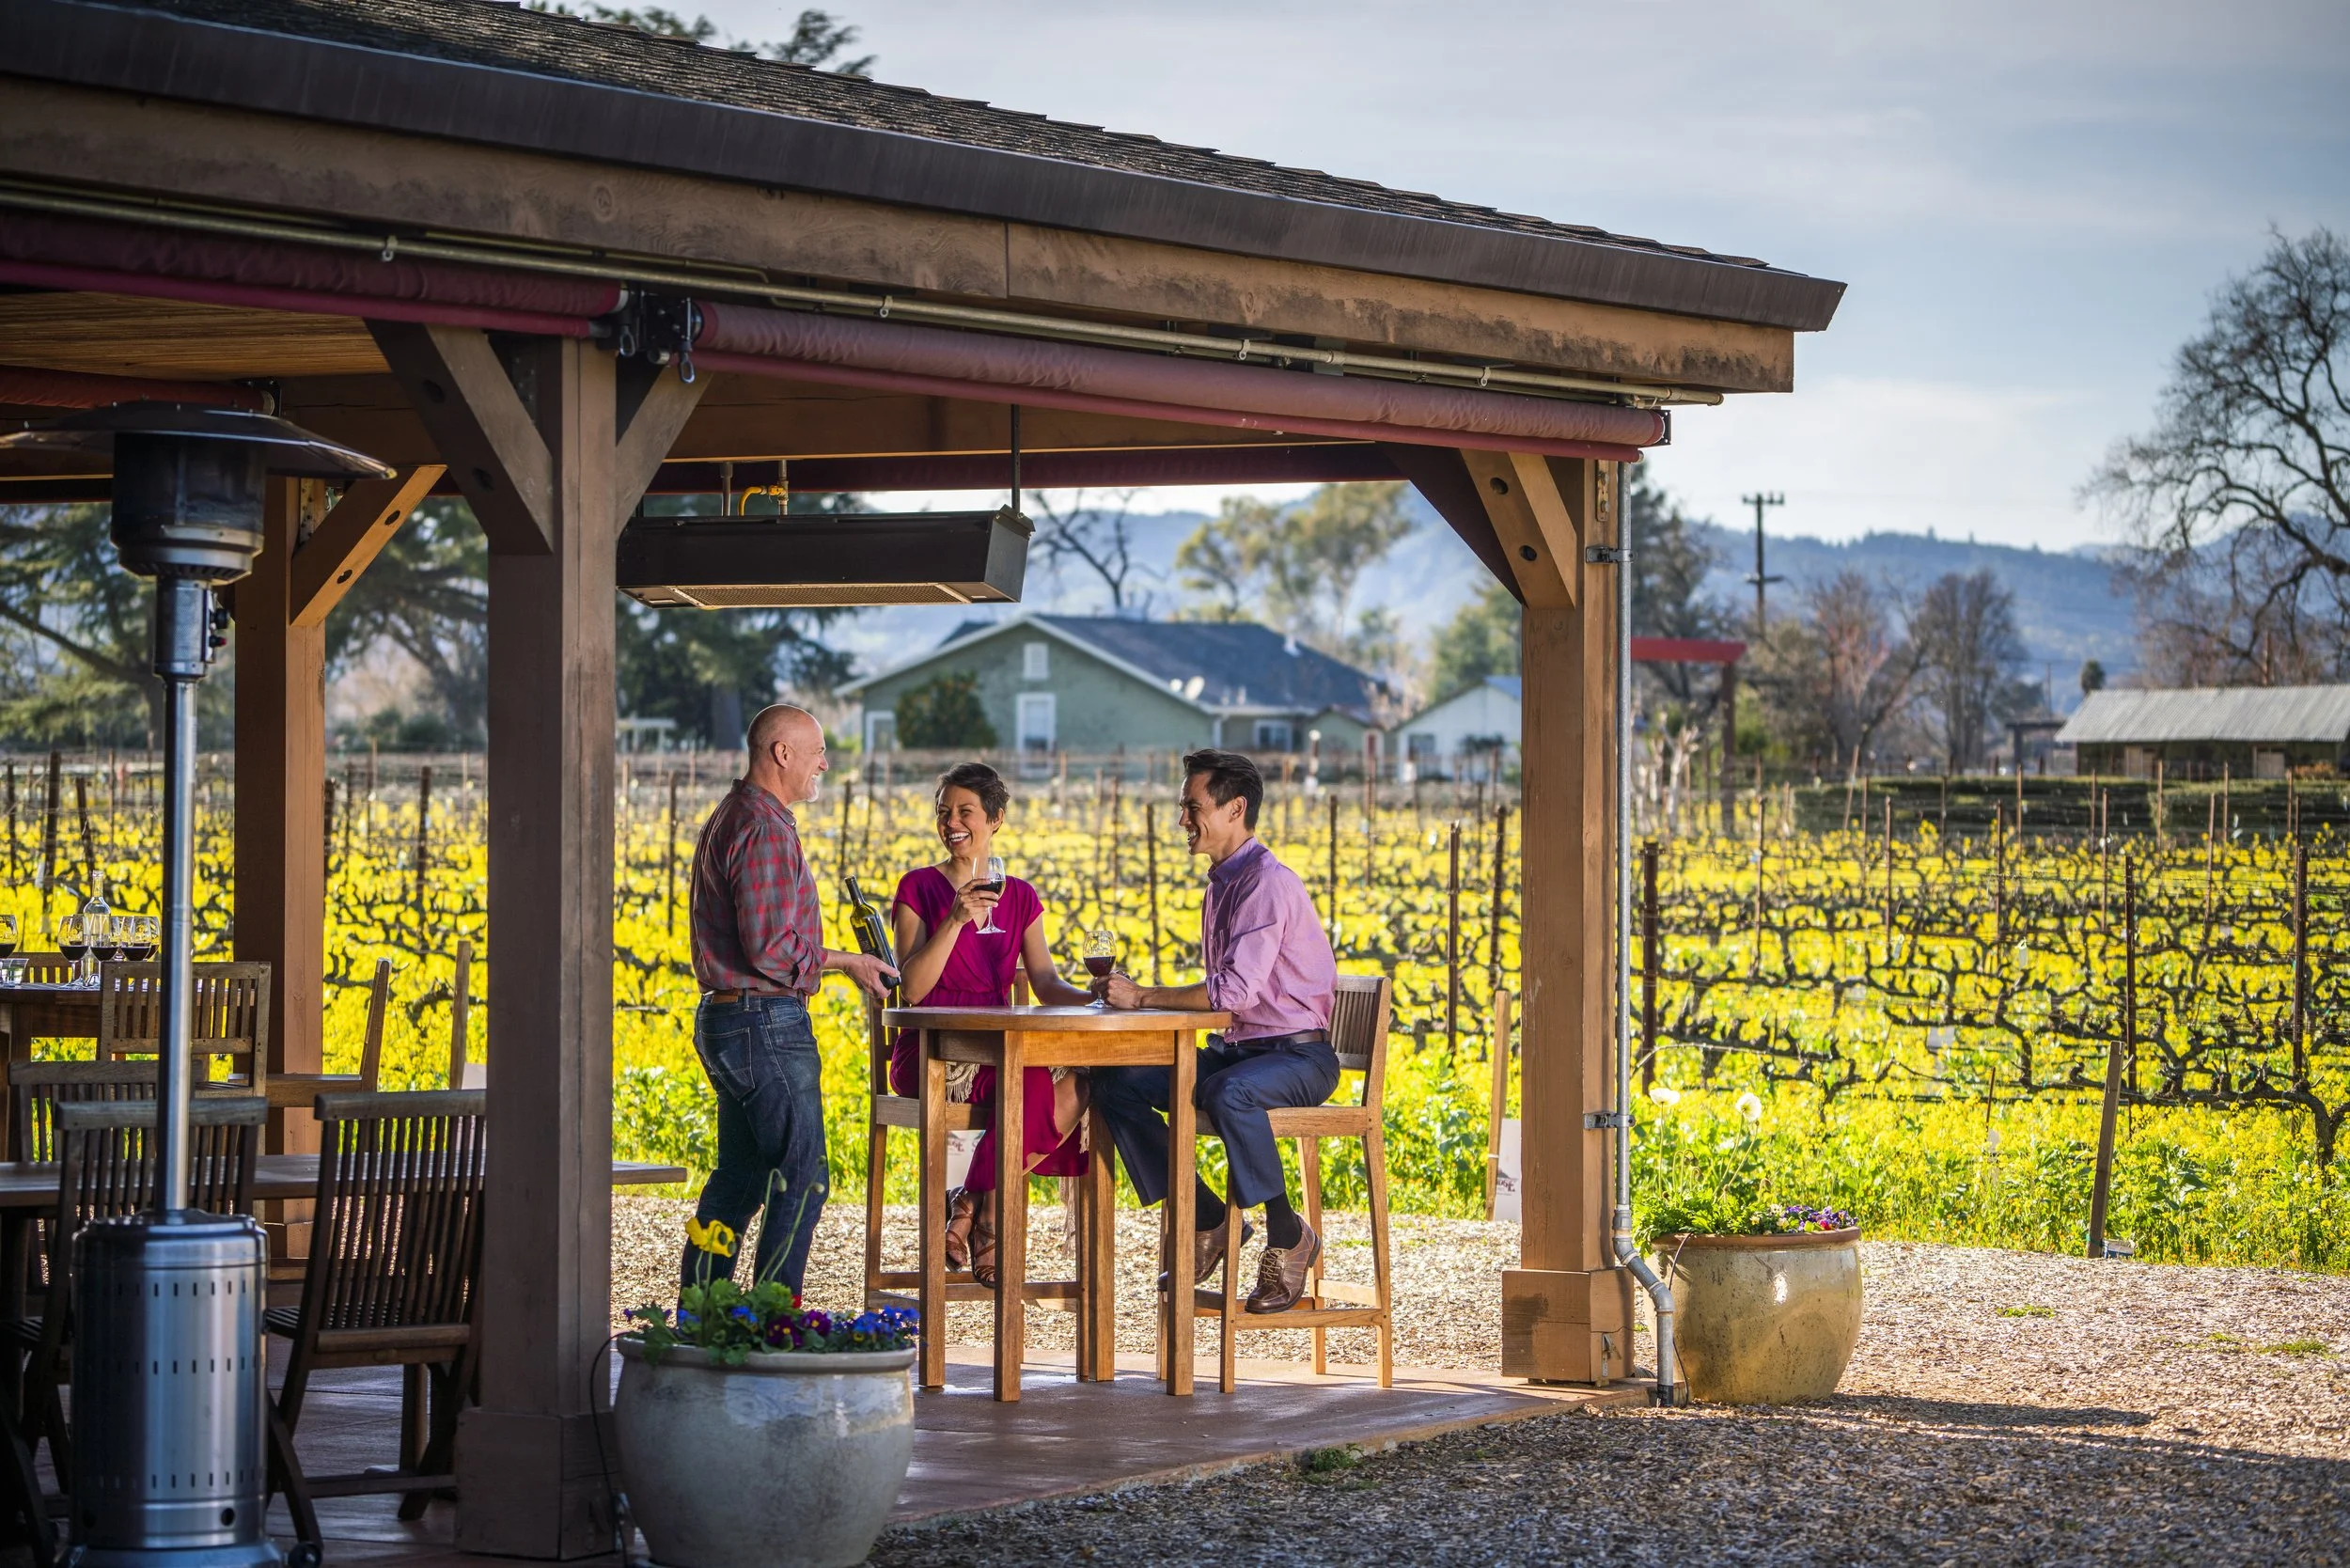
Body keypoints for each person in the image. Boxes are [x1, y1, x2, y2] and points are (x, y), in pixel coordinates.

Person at [1096, 748, 1339, 1314]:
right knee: (1117, 1081)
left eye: (1192, 806)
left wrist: (1142, 998)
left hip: (1299, 1059)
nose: (1182, 819)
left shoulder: (1265, 883)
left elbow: (1233, 993)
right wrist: (1140, 1005)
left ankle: (1287, 1233)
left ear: (1235, 808)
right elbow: (1226, 1001)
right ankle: (1207, 1215)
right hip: (1238, 1052)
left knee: (1229, 1092)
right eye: (1183, 806)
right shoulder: (1223, 884)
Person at [682, 703, 896, 1297]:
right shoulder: (761, 826)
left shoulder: (735, 816)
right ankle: (773, 1320)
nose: (824, 763)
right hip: (762, 1022)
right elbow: (771, 947)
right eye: (817, 751)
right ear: (782, 753)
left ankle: (700, 1313)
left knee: (738, 1181)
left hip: (730, 1019)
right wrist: (849, 961)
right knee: (803, 1178)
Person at [887, 761, 1097, 1287]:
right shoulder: (918, 889)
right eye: (944, 813)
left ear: (996, 819)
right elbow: (911, 988)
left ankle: (973, 1203)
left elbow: (1047, 983)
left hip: (996, 1053)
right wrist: (956, 920)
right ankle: (986, 1215)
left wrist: (1096, 994)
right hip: (932, 1051)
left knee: (1082, 1079)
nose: (952, 822)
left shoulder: (1020, 896)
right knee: (1024, 1076)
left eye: (965, 812)